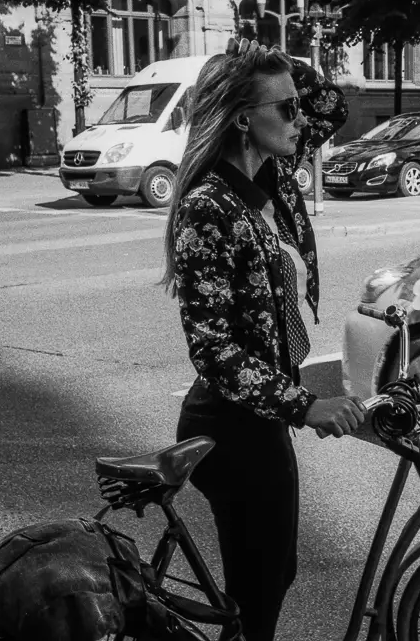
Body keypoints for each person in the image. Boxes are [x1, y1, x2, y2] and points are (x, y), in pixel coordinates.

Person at [160, 37, 364, 641]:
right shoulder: (208, 207)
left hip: (260, 412)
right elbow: (214, 348)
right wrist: (307, 406)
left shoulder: (273, 177)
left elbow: (331, 104)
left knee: (270, 577)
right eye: (287, 109)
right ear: (245, 119)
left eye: (296, 108)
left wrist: (270, 58)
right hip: (229, 424)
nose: (302, 119)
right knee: (261, 586)